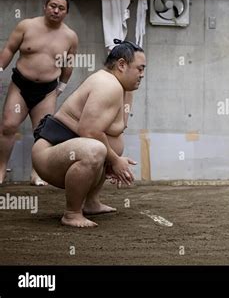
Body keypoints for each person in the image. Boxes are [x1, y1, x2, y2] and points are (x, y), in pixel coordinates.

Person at [31, 40, 146, 227]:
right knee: (95, 149)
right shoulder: (108, 85)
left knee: (107, 145)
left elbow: (118, 128)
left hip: (66, 148)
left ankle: (92, 202)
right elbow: (89, 131)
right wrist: (115, 161)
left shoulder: (120, 86)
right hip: (49, 153)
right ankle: (72, 213)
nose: (142, 75)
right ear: (122, 65)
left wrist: (112, 157)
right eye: (139, 69)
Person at [0, 0, 78, 186]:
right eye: (53, 6)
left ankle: (38, 173)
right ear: (45, 6)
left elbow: (68, 65)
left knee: (43, 133)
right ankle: (1, 169)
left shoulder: (70, 36)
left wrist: (61, 87)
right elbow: (9, 48)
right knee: (8, 126)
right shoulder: (26, 26)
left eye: (61, 8)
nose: (56, 10)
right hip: (20, 85)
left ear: (66, 12)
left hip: (47, 90)